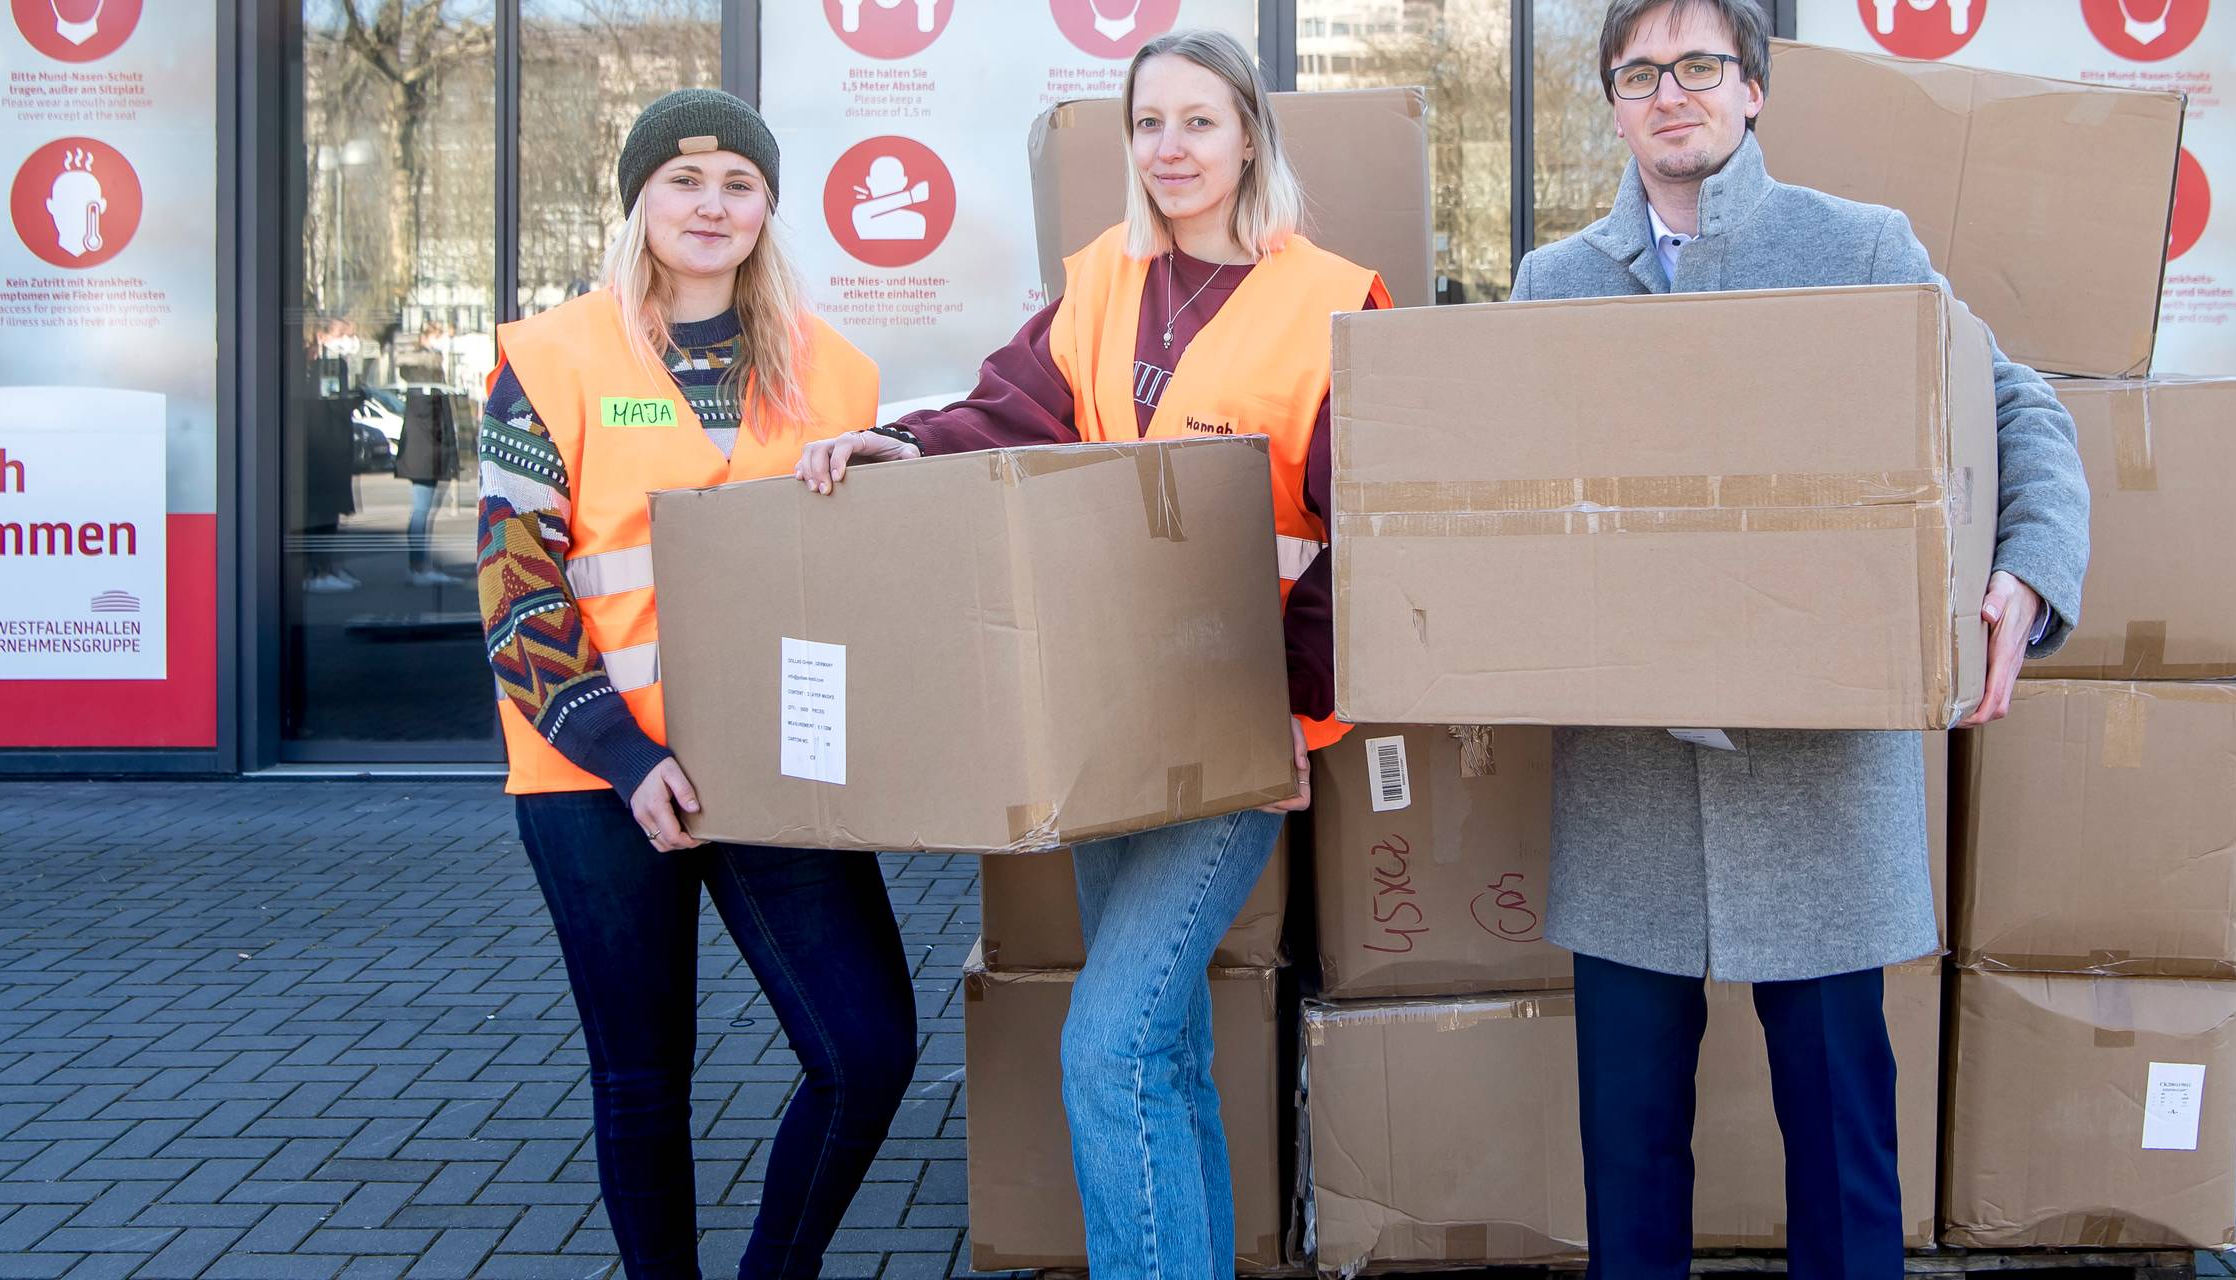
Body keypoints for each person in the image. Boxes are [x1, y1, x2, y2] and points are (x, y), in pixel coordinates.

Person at [792, 30, 1385, 1279]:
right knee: (1158, 1046)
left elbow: (1374, 529)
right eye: (1149, 123)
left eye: (1200, 121)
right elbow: (1007, 409)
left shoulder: (1329, 298)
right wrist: (897, 439)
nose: (1172, 148)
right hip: (1115, 718)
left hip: (1237, 730)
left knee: (1108, 1045)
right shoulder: (1105, 284)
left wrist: (1300, 704)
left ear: (1249, 140)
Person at [1509, 3, 2089, 1278]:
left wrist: (2028, 571)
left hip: (1818, 793)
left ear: (1755, 88)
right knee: (1631, 1159)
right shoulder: (1553, 283)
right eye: (1641, 72)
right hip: (1630, 794)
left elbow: (2015, 403)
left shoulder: (1861, 246)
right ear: (1613, 102)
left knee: (1843, 1158)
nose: (1673, 93)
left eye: (1701, 65)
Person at [476, 88, 914, 1280]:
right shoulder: (552, 355)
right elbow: (515, 585)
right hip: (594, 771)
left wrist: (902, 461)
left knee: (866, 1050)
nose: (710, 204)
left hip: (775, 760)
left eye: (738, 182)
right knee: (642, 1075)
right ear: (640, 201)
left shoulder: (838, 369)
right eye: (684, 179)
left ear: (768, 207)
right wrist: (621, 753)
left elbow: (877, 559)